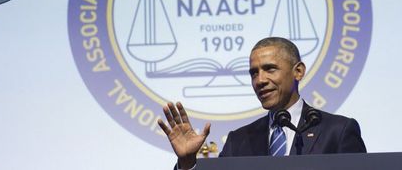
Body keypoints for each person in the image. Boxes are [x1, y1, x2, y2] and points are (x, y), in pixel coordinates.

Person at [157, 37, 366, 170]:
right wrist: (187, 163)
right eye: (253, 73)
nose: (260, 80)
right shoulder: (238, 140)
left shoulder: (338, 131)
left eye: (270, 69)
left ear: (298, 71)